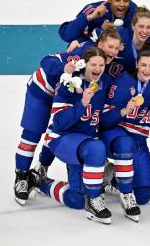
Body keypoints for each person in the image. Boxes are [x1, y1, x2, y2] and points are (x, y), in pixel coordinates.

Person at [14, 28, 122, 205]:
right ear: (99, 44)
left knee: (66, 125)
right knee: (32, 133)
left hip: (65, 102)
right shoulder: (80, 53)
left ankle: (45, 164)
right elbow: (46, 60)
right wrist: (63, 68)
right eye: (110, 47)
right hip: (42, 92)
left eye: (117, 48)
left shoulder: (102, 66)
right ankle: (22, 176)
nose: (113, 52)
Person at [30, 47, 114, 224]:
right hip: (63, 140)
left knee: (76, 200)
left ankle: (39, 182)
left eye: (101, 64)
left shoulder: (103, 84)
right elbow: (59, 122)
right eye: (93, 64)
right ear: (85, 65)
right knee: (97, 147)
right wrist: (82, 103)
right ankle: (94, 199)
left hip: (84, 144)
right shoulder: (70, 84)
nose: (98, 68)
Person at [99, 49, 150, 220]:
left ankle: (114, 177)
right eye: (144, 65)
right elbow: (104, 120)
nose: (147, 69)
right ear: (137, 64)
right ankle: (125, 193)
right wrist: (124, 110)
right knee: (125, 144)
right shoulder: (122, 83)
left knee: (144, 196)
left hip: (138, 139)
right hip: (115, 134)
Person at [59, 0, 137, 43]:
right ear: (110, 0)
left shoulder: (133, 11)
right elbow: (66, 35)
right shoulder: (94, 10)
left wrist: (115, 30)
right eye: (117, 0)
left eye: (126, 0)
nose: (122, 4)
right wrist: (90, 17)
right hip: (88, 48)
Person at [108, 6, 150, 74]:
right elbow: (95, 42)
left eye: (149, 27)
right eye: (141, 26)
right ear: (133, 26)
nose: (145, 31)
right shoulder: (119, 33)